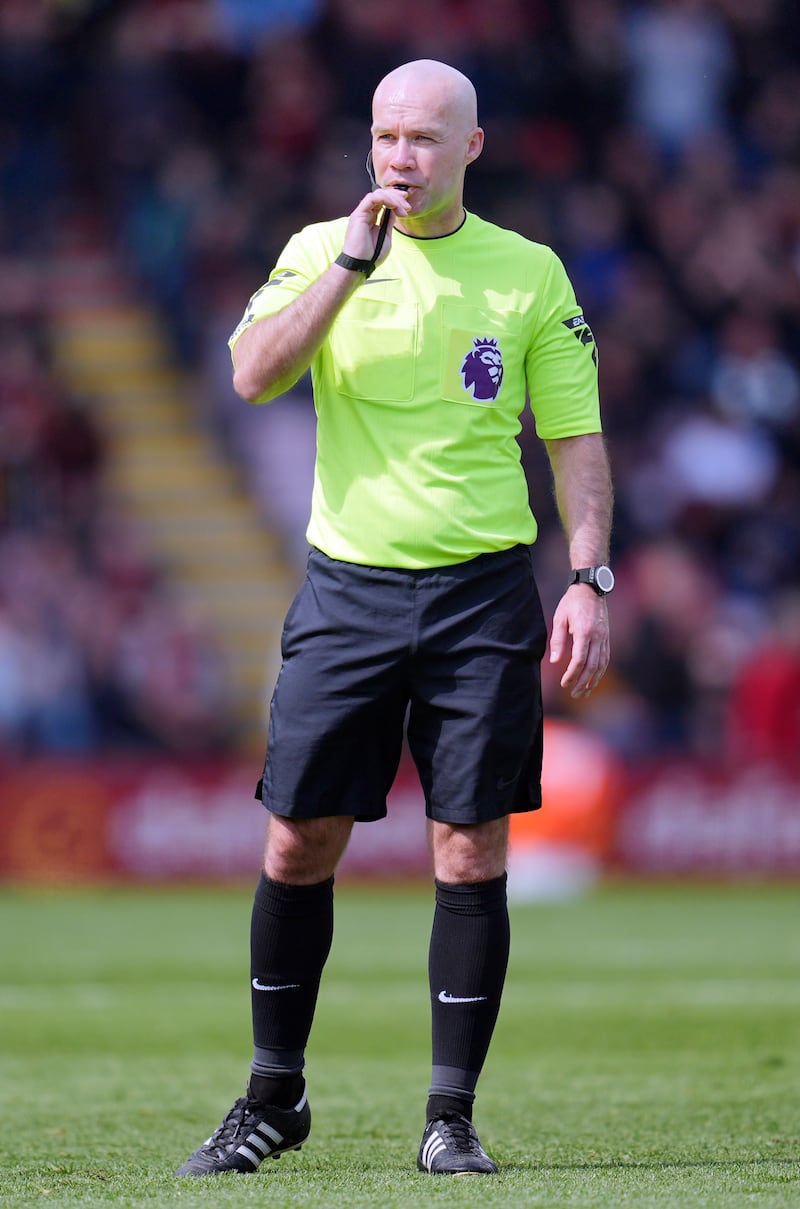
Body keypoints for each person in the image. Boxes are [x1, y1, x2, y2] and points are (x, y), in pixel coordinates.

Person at [177, 58, 613, 1179]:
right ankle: (275, 1095)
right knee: (296, 838)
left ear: (471, 146)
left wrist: (589, 577)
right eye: (383, 138)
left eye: (422, 139)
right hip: (349, 588)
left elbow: (572, 439)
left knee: (468, 849)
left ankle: (448, 1117)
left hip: (479, 595)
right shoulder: (317, 249)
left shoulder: (527, 273)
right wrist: (346, 274)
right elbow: (250, 376)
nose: (399, 159)